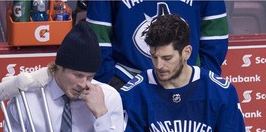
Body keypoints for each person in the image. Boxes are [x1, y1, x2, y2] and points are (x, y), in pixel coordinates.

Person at [112, 14, 251, 132]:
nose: (159, 65)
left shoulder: (219, 92)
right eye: (154, 57)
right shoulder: (134, 93)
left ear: (186, 52)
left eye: (167, 58)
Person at [0, 22, 128, 132]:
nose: (83, 84)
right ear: (59, 66)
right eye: (77, 75)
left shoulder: (108, 97)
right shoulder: (26, 98)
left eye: (90, 76)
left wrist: (101, 114)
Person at [86, 0, 228, 90]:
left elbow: (214, 36)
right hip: (127, 80)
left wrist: (201, 80)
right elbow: (98, 37)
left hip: (187, 84)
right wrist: (110, 81)